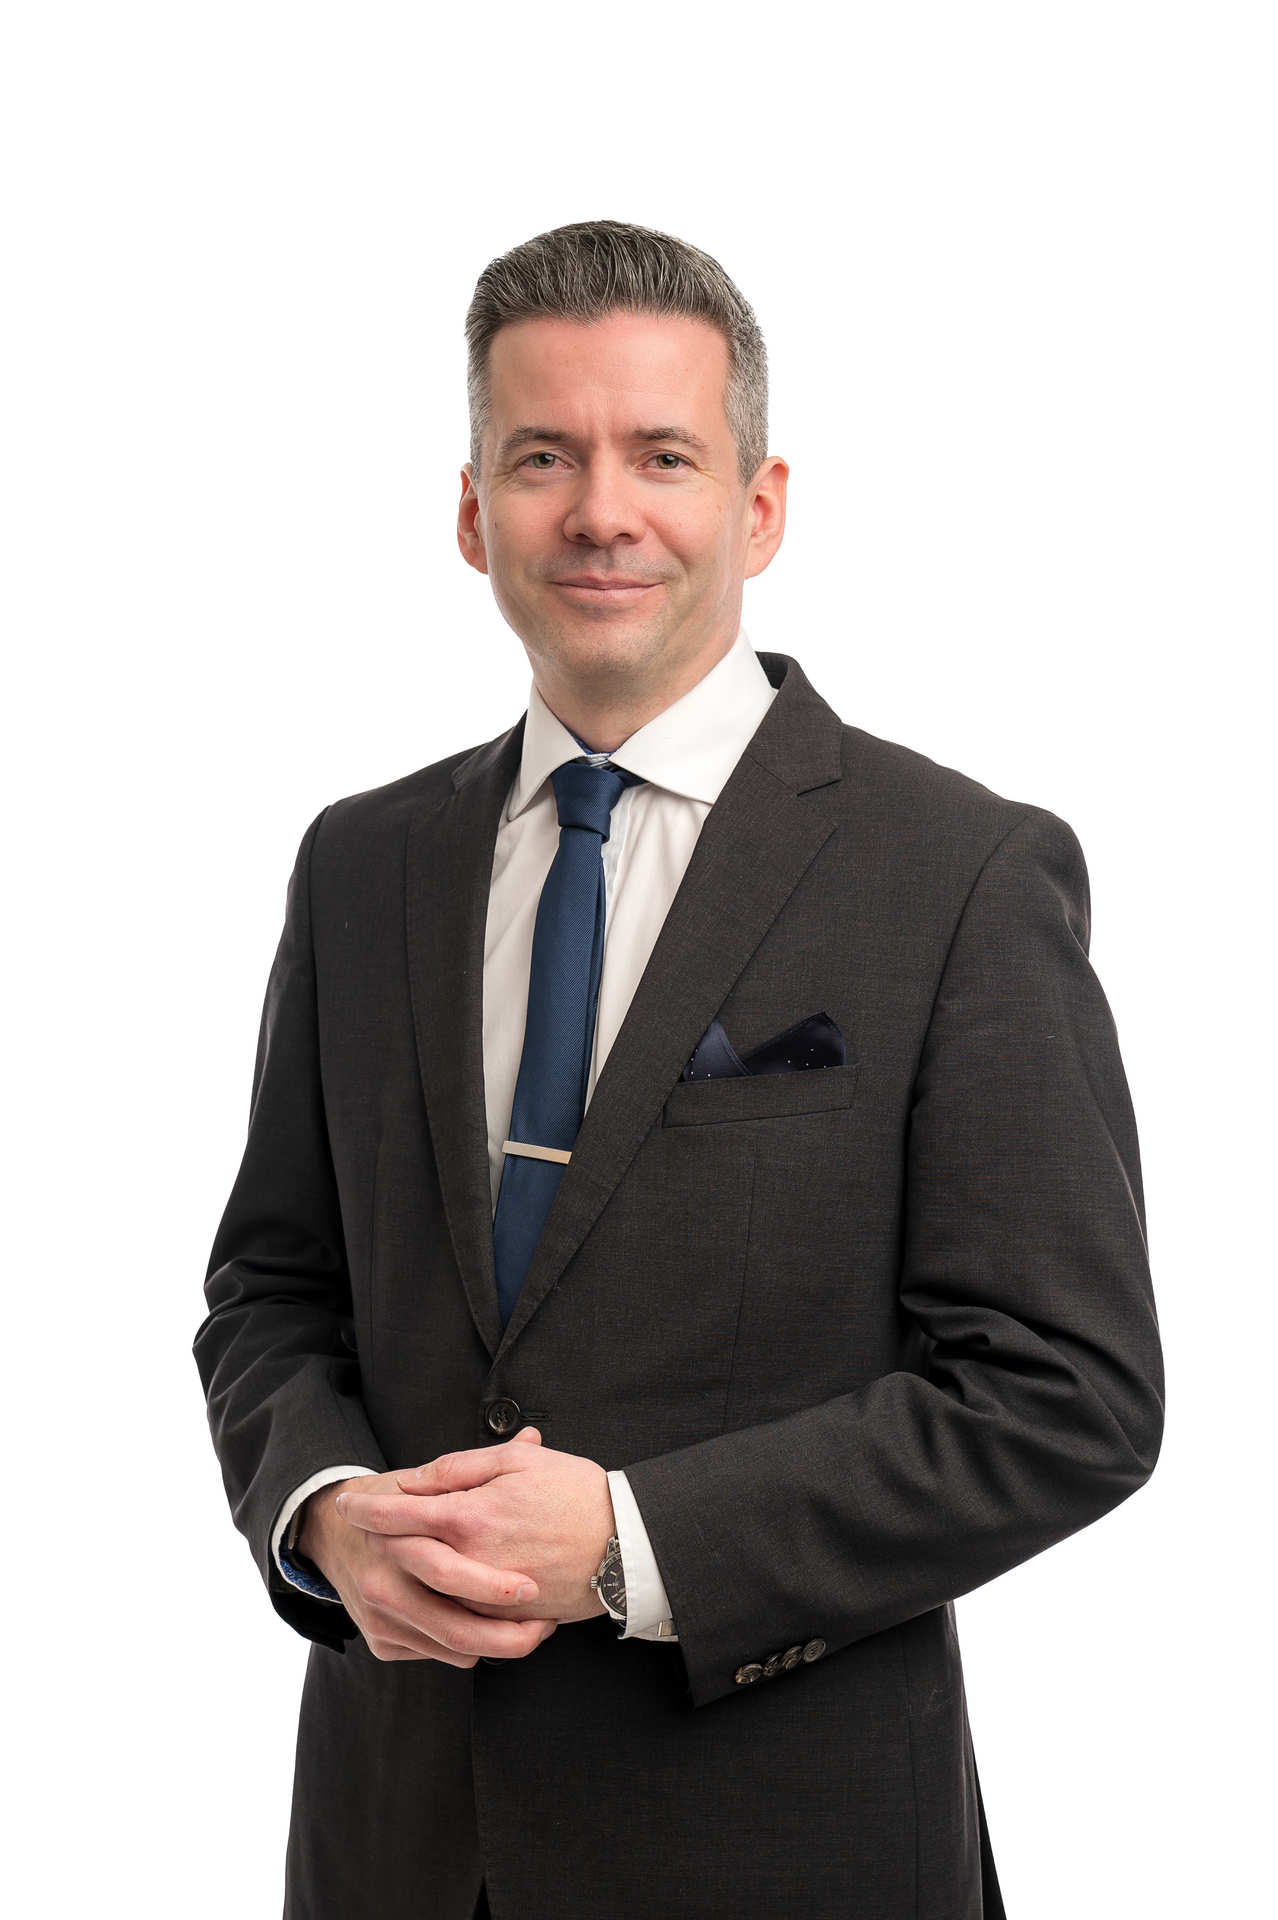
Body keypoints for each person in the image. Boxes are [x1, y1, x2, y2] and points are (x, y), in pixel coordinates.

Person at [196, 220, 1163, 1920]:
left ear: (759, 506)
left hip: (783, 1848)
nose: (599, 511)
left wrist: (628, 1544)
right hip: (394, 1838)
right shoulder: (360, 865)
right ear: (471, 511)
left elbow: (1064, 1393)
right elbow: (274, 1288)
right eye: (540, 458)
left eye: (661, 455)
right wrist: (325, 1512)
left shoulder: (954, 871)